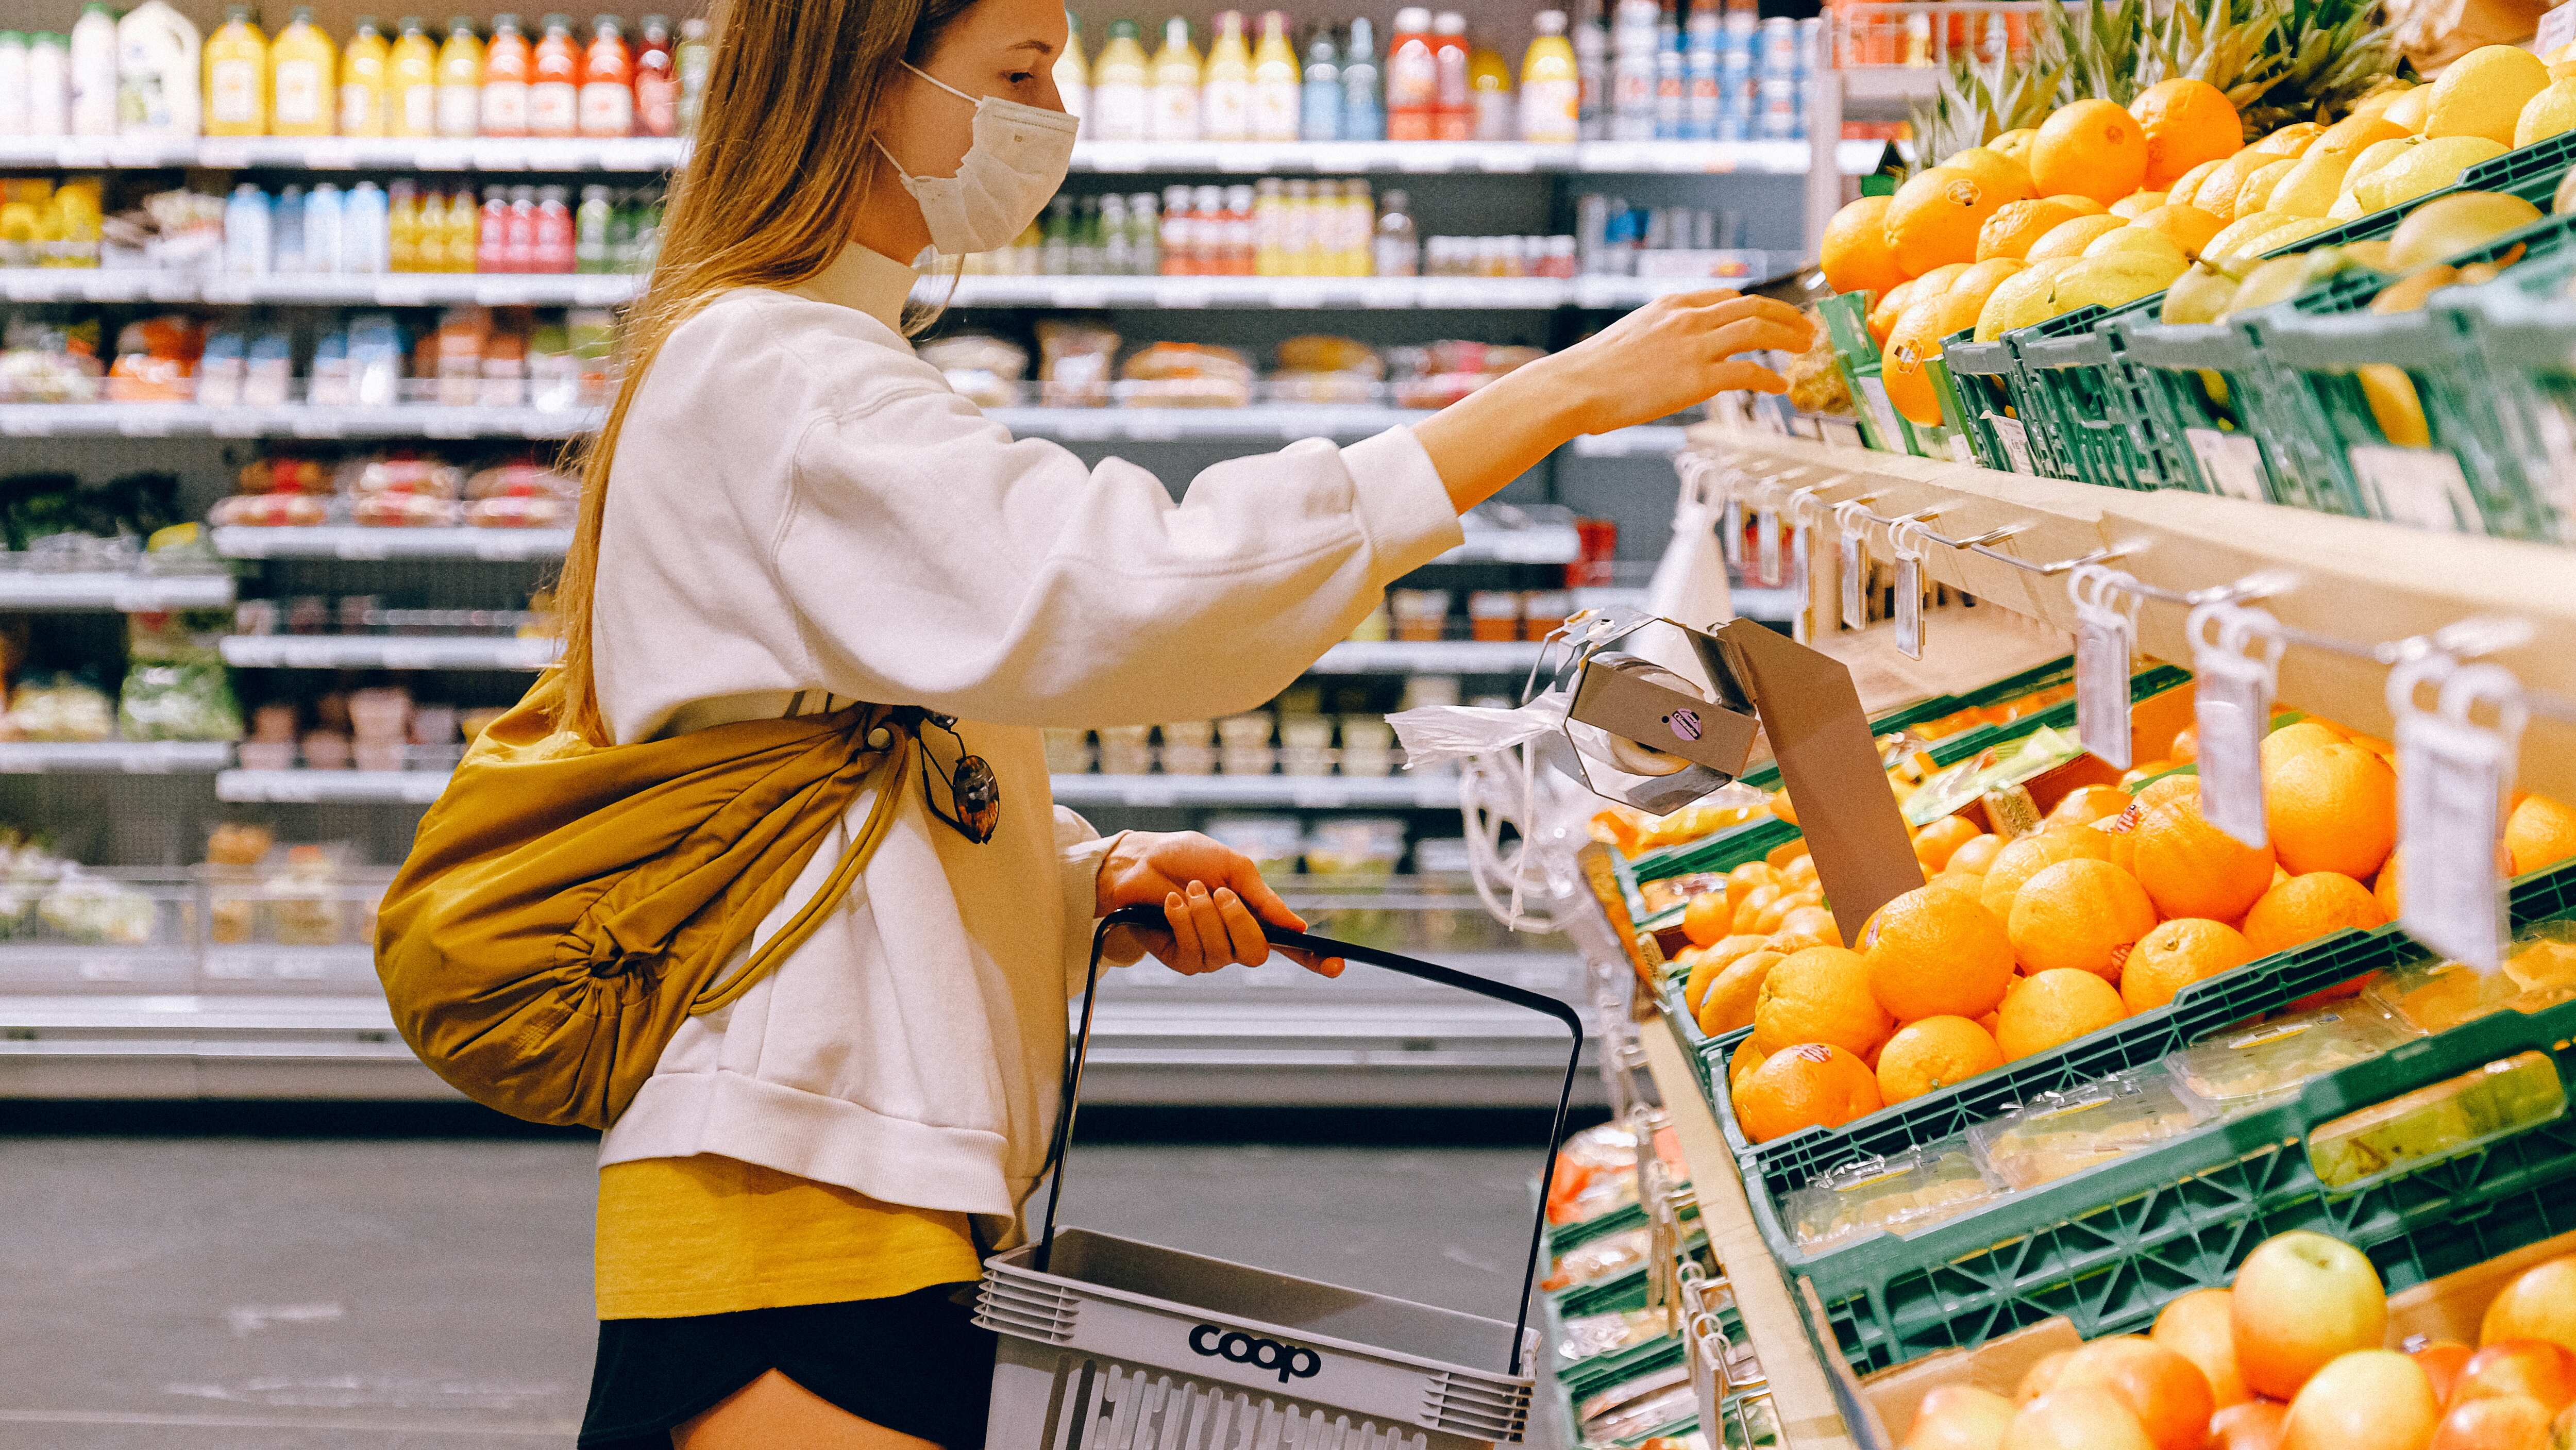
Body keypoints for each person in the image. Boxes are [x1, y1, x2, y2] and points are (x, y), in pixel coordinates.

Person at [560, 0, 1810, 1444]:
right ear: (862, 85)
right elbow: (1127, 586)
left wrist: (1078, 878)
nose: (1053, 119)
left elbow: (848, 766)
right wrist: (1553, 396)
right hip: (793, 1187)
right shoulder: (777, 373)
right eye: (1018, 74)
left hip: (855, 1170)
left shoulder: (815, 354)